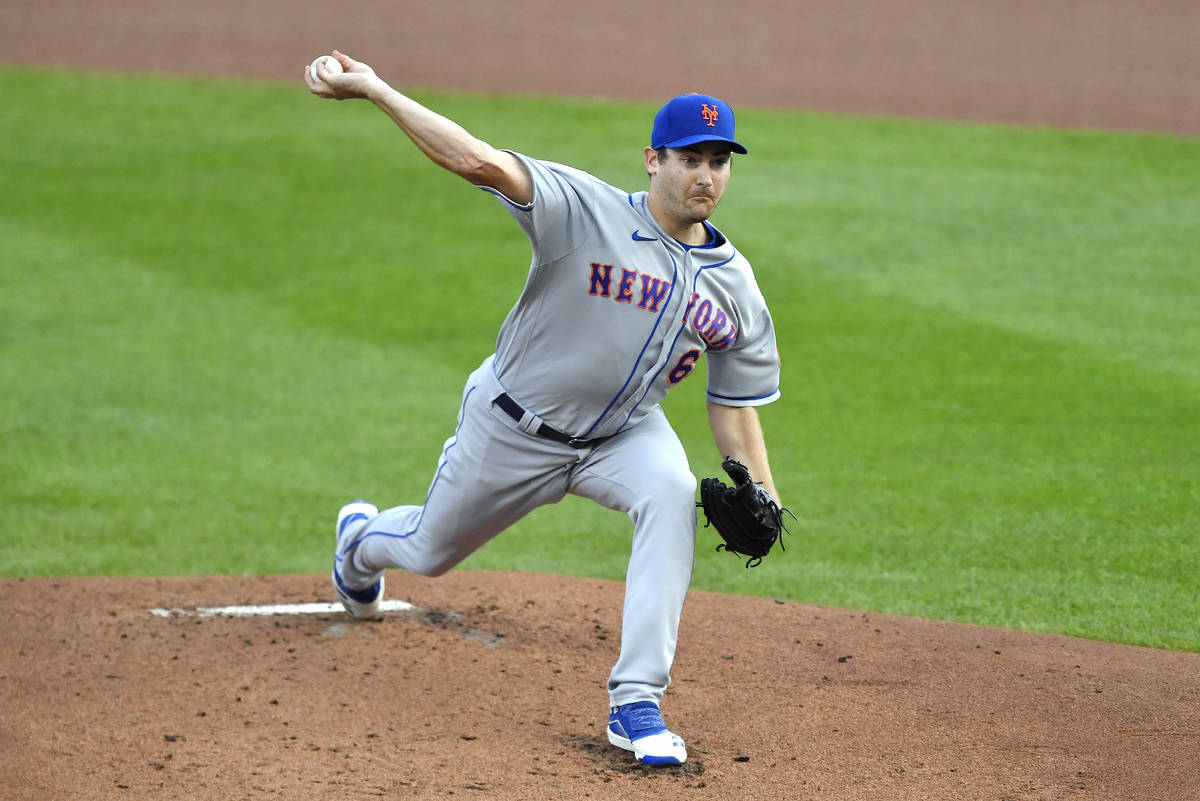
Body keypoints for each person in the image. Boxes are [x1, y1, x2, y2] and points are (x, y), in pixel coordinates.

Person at [305, 51, 782, 767]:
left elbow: (735, 405)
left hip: (624, 435)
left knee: (675, 492)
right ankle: (359, 544)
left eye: (720, 160)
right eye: (690, 157)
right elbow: (476, 161)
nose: (706, 175)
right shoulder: (581, 208)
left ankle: (637, 699)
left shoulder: (735, 285)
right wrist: (375, 89)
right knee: (428, 550)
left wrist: (764, 489)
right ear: (653, 159)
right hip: (513, 426)